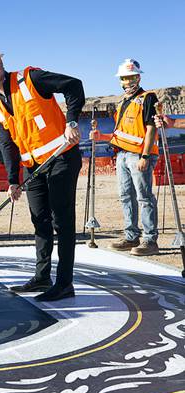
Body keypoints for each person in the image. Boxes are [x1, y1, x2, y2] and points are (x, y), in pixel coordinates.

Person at [0, 44, 84, 302]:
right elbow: (7, 144)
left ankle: (65, 283)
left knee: (61, 220)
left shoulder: (31, 78)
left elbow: (74, 85)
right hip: (34, 167)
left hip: (61, 157)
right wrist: (12, 180)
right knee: (39, 219)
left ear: (1, 60)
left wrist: (72, 121)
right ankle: (42, 276)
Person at [90, 59, 159, 256]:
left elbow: (151, 129)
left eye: (130, 77)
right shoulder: (122, 102)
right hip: (122, 155)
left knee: (144, 197)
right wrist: (100, 136)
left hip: (139, 156)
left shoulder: (148, 98)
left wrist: (145, 156)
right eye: (124, 78)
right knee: (125, 196)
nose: (127, 82)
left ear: (138, 77)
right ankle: (131, 236)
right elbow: (119, 133)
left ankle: (149, 239)